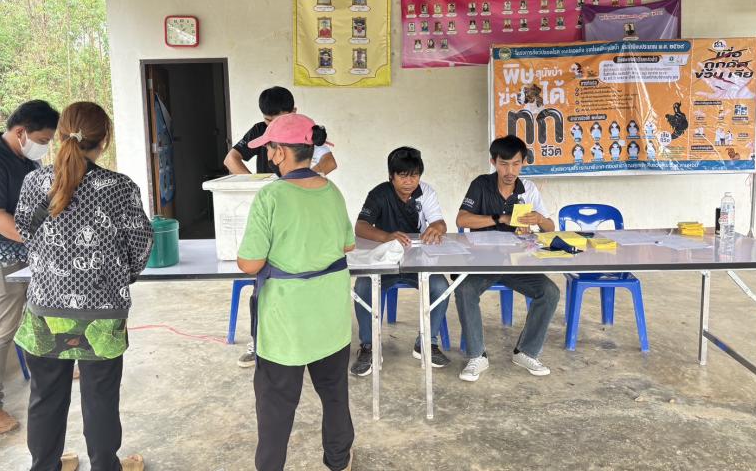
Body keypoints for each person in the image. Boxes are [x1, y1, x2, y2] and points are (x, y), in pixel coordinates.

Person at [14, 102, 152, 471]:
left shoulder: (34, 183)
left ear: (61, 136)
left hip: (45, 309)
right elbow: (140, 246)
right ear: (104, 140)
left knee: (45, 398)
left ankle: (44, 466)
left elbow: (25, 233)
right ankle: (105, 466)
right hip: (103, 311)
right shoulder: (120, 188)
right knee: (101, 399)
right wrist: (118, 279)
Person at [236, 114, 355, 471]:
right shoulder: (332, 191)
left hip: (286, 323)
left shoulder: (270, 196)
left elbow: (250, 263)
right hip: (331, 320)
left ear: (279, 152)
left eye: (270, 148)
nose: (269, 155)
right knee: (335, 396)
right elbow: (347, 245)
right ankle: (339, 462)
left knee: (275, 407)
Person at [0, 100, 59, 433]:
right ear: (21, 131)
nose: (44, 146)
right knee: (2, 330)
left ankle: (48, 369)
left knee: (41, 316)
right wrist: (37, 239)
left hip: (28, 254)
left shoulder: (26, 160)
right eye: (43, 139)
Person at [454, 136, 559, 382]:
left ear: (523, 163)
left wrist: (539, 219)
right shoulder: (481, 185)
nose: (510, 171)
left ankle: (526, 352)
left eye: (516, 164)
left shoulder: (528, 189)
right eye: (504, 164)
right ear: (493, 162)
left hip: (517, 262)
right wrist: (500, 218)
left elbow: (550, 228)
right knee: (464, 289)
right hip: (483, 262)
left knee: (549, 292)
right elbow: (462, 219)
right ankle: (477, 356)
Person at [350, 147, 451, 377]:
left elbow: (440, 223)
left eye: (414, 175)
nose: (409, 181)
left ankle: (426, 342)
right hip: (385, 261)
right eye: (403, 176)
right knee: (363, 286)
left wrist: (437, 228)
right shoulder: (379, 194)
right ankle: (369, 346)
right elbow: (360, 227)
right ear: (391, 176)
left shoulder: (426, 192)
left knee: (440, 287)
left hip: (419, 261)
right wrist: (387, 236)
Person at [224, 86, 337, 178]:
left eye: (280, 120)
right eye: (268, 120)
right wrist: (256, 185)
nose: (273, 125)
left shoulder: (303, 131)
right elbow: (231, 159)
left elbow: (329, 162)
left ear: (293, 112)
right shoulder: (259, 130)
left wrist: (301, 181)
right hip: (269, 192)